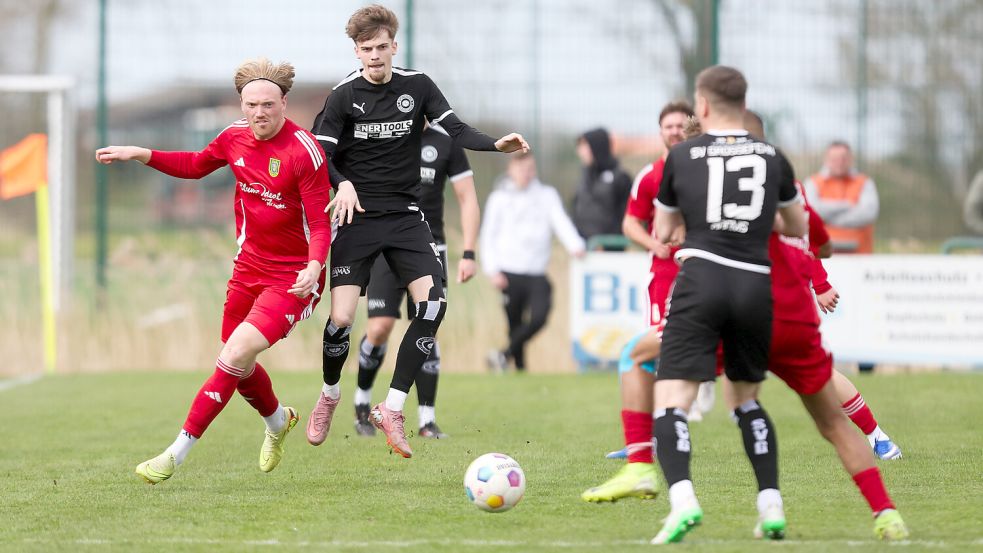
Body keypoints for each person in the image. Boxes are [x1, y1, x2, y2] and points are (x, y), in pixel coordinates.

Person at [95, 58, 331, 484]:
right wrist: (140, 154)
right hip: (247, 269)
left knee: (235, 354)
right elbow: (194, 164)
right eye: (251, 104)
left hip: (293, 278)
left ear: (284, 103)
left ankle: (175, 454)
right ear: (241, 105)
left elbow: (319, 221)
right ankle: (279, 421)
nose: (259, 112)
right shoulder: (232, 138)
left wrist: (315, 266)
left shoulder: (305, 152)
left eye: (268, 104)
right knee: (235, 362)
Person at [308, 4, 528, 459]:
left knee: (434, 304)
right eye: (366, 49)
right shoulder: (343, 96)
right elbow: (319, 155)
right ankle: (330, 395)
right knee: (345, 319)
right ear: (356, 50)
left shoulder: (418, 86)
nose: (374, 56)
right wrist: (343, 183)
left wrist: (496, 144)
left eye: (381, 47)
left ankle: (392, 408)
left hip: (407, 217)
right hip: (357, 217)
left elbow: (456, 128)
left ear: (394, 45)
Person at [648, 66, 807, 544]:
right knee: (746, 400)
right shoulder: (773, 157)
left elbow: (662, 231)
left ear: (702, 105)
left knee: (670, 400)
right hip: (755, 285)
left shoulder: (683, 155)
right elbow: (796, 224)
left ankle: (683, 502)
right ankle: (771, 506)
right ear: (744, 102)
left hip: (701, 278)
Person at [581, 101, 693, 503]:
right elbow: (630, 222)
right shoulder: (651, 176)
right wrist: (655, 244)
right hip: (665, 280)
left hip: (705, 277)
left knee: (652, 355)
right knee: (650, 356)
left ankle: (651, 446)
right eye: (669, 125)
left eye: (682, 124)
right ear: (661, 131)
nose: (676, 131)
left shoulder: (702, 170)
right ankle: (647, 443)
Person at [353, 122, 479, 439]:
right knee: (379, 329)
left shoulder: (446, 143)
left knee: (429, 325)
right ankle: (362, 403)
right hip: (385, 246)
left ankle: (426, 420)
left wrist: (469, 252)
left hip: (430, 248)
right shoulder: (381, 133)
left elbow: (466, 198)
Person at [481, 152, 585, 372]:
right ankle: (519, 369)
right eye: (521, 169)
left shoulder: (546, 195)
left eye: (530, 169)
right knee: (514, 324)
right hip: (508, 271)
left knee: (539, 317)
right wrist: (492, 270)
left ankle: (503, 355)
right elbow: (488, 235)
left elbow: (560, 222)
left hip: (537, 272)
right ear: (511, 169)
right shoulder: (499, 198)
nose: (525, 174)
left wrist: (575, 246)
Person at [803, 141, 879, 254]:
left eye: (843, 158)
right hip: (820, 255)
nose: (839, 163)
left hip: (859, 255)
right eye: (835, 159)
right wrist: (847, 205)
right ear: (826, 159)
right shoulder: (812, 182)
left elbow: (867, 214)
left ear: (851, 159)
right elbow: (811, 211)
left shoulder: (865, 182)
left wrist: (827, 219)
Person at [571, 127, 632, 248]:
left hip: (610, 249)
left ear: (597, 147)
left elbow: (627, 216)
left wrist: (607, 244)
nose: (580, 151)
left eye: (585, 146)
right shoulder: (584, 177)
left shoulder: (620, 178)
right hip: (584, 249)